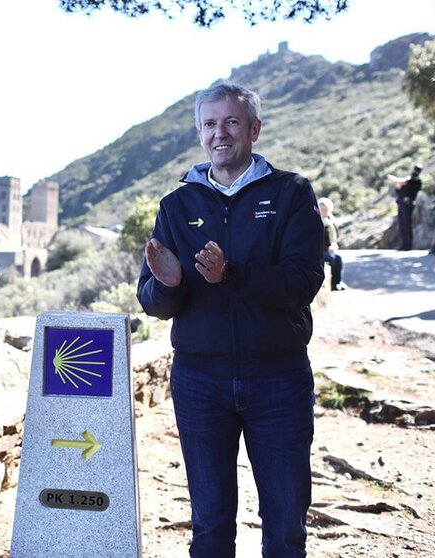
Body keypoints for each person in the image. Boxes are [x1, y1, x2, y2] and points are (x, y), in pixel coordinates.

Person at [137, 81, 324, 557]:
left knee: (285, 526)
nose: (220, 133)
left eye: (232, 122)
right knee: (210, 525)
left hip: (278, 380)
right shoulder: (176, 206)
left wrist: (232, 275)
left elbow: (303, 282)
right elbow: (154, 303)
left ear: (254, 129)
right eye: (209, 123)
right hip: (200, 382)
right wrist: (169, 283)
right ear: (201, 133)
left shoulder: (292, 193)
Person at [388, 164, 423, 250]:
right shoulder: (408, 180)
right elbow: (399, 190)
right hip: (401, 204)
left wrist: (399, 181)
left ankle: (408, 244)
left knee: (407, 224)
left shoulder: (415, 181)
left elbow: (409, 185)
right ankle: (404, 244)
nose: (415, 171)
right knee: (402, 224)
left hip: (408, 204)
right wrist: (399, 186)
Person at [318, 197, 348, 291]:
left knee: (337, 259)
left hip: (327, 249)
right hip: (320, 251)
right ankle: (335, 284)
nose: (324, 211)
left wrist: (333, 245)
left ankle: (338, 282)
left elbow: (334, 237)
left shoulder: (331, 221)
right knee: (335, 259)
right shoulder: (318, 220)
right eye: (322, 209)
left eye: (325, 209)